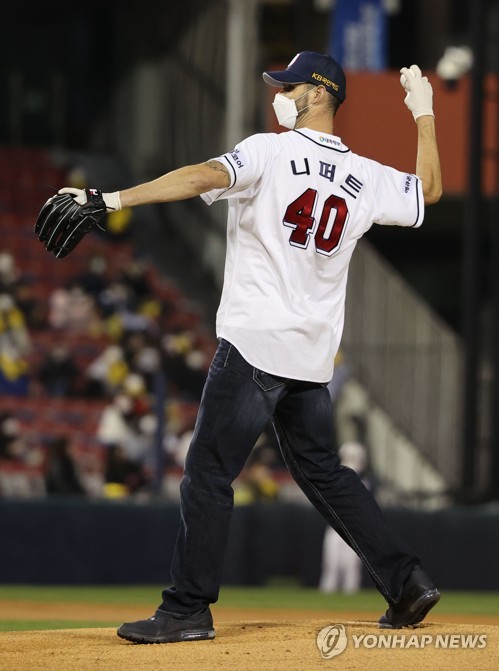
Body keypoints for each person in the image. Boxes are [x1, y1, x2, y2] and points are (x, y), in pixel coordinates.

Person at [56, 51, 442, 642]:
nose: (278, 93)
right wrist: (423, 115)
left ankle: (186, 608)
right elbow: (429, 192)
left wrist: (110, 199)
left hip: (256, 343)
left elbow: (204, 176)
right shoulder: (366, 177)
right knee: (325, 473)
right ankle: (407, 583)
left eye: (288, 85)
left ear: (318, 92)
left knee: (208, 472)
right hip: (311, 356)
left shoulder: (269, 150)